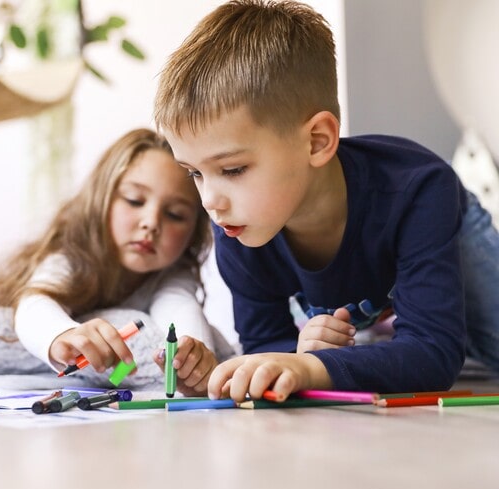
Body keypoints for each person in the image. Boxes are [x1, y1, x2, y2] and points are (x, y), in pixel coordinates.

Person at [153, 0, 499, 400]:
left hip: (444, 244)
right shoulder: (236, 224)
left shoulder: (417, 188)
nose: (211, 201)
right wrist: (299, 357)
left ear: (317, 141)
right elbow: (266, 348)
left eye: (232, 170)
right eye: (194, 172)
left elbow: (433, 355)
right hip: (384, 313)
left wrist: (311, 367)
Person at [0, 128, 234, 395]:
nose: (151, 223)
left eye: (175, 215)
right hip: (40, 348)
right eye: (134, 200)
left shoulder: (172, 272)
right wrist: (63, 335)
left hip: (112, 374)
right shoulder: (72, 255)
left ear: (193, 232)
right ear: (101, 199)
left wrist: (193, 353)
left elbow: (179, 304)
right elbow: (35, 304)